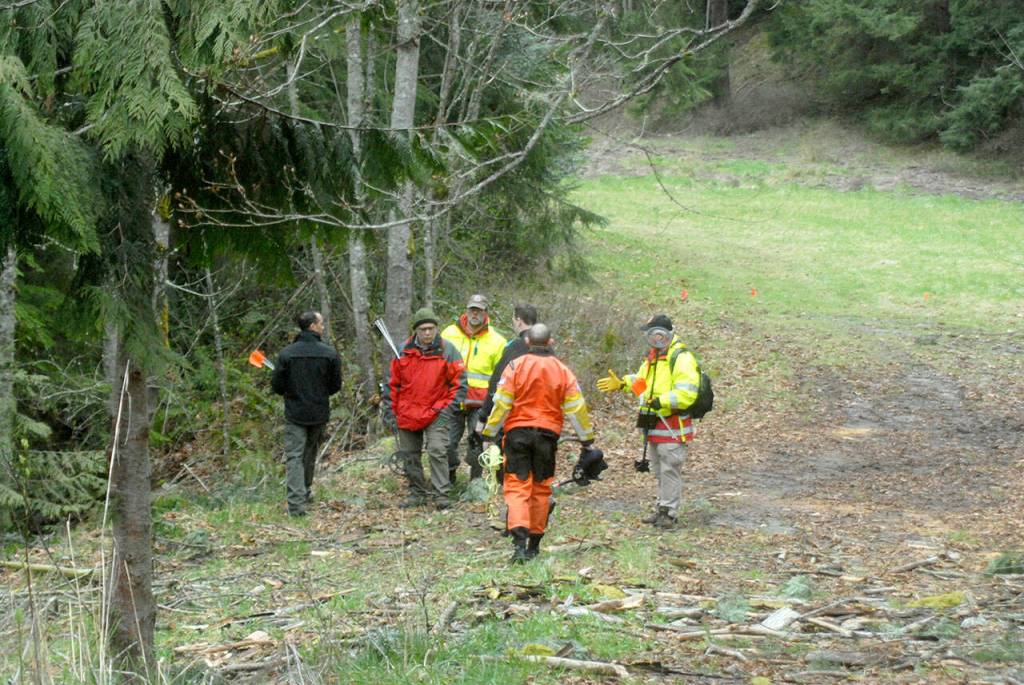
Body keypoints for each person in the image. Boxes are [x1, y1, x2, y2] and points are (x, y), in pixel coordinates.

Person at [480, 323, 595, 562]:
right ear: (551, 342)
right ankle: (534, 543)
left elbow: (501, 403)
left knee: (517, 486)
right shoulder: (563, 371)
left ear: (528, 343)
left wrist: (489, 432)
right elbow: (577, 408)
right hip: (547, 436)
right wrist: (586, 440)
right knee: (541, 488)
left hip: (517, 435)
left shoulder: (515, 366)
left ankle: (519, 545)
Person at [597, 314, 700, 529]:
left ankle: (669, 513)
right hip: (653, 423)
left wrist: (660, 401)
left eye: (654, 334)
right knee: (658, 468)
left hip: (672, 425)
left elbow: (687, 393)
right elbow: (642, 383)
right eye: (649, 335)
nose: (652, 339)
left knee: (669, 467)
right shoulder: (654, 357)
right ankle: (663, 508)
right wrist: (623, 383)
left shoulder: (681, 358)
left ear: (664, 334)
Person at [382, 307, 467, 510]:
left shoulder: (449, 350)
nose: (428, 333)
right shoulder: (402, 351)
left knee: (438, 450)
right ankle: (417, 493)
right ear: (416, 331)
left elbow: (460, 384)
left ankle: (441, 495)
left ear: (436, 328)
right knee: (409, 454)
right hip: (407, 411)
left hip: (437, 410)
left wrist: (446, 410)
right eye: (423, 329)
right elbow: (392, 384)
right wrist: (390, 411)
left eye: (431, 328)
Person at [271, 311, 342, 517]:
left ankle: (297, 503)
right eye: (321, 323)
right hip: (318, 412)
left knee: (295, 456)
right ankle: (303, 494)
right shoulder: (329, 354)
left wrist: (293, 393)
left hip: (295, 412)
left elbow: (277, 386)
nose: (323, 327)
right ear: (312, 326)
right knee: (308, 454)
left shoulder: (287, 354)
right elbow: (335, 386)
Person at [441, 294, 507, 484]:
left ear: (486, 313)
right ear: (466, 310)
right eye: (472, 309)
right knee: (447, 443)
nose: (475, 313)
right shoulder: (448, 334)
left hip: (481, 403)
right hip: (452, 399)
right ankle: (450, 478)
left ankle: (475, 482)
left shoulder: (497, 341)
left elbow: (501, 377)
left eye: (479, 310)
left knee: (476, 444)